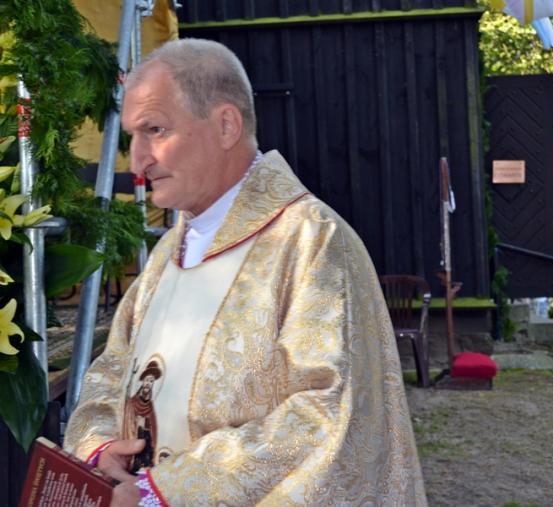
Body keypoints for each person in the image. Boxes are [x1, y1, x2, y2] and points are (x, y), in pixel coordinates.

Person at [63, 38, 427, 506]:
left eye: (155, 130)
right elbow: (115, 367)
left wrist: (167, 492)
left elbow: (329, 411)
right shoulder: (170, 249)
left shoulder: (312, 241)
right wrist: (100, 449)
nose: (138, 160)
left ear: (226, 125)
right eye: (134, 136)